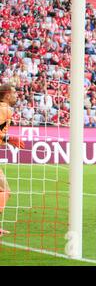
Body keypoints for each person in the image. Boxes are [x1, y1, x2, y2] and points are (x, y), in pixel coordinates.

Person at [0, 85, 25, 236]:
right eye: (15, 92)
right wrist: (9, 138)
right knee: (4, 190)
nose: (17, 95)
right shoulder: (4, 109)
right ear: (7, 95)